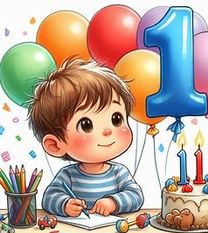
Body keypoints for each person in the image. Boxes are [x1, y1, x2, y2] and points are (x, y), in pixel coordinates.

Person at [28, 59, 144, 217]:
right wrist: (65, 204)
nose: (107, 131)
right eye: (86, 124)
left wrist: (113, 202)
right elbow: (49, 198)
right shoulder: (68, 175)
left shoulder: (119, 173)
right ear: (55, 145)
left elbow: (136, 196)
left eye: (116, 118)